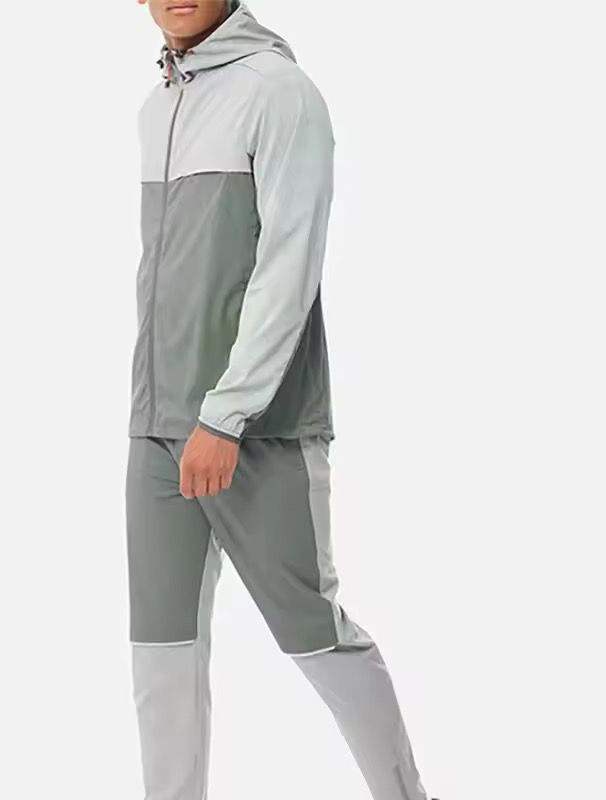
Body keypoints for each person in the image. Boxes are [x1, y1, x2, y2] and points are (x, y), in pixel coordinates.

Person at [128, 2, 434, 798]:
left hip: (257, 429)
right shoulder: (160, 105)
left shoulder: (278, 92)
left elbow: (288, 269)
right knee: (161, 655)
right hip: (155, 426)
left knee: (314, 637)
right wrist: (161, 411)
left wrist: (226, 412)